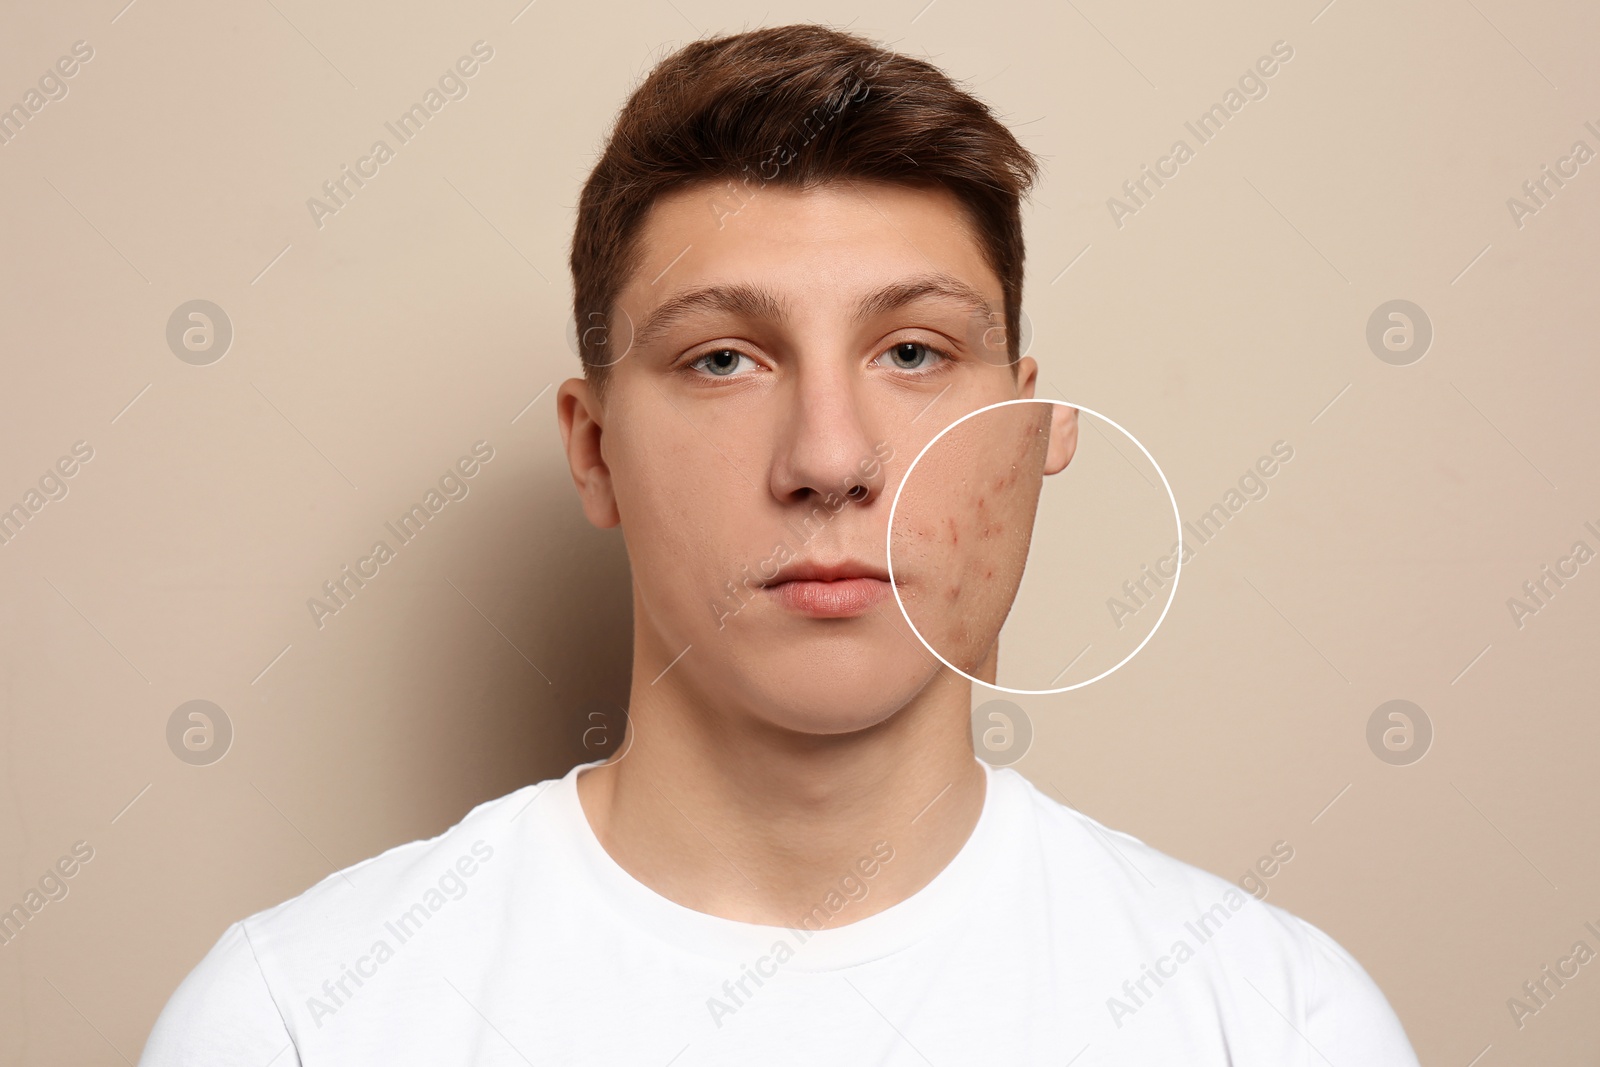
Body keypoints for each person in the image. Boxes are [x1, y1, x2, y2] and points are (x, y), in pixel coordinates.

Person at [139, 24, 1419, 1064]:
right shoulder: (298, 1020)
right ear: (593, 449)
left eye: (912, 350)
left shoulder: (1277, 1022)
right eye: (723, 357)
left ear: (1033, 432)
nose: (827, 459)